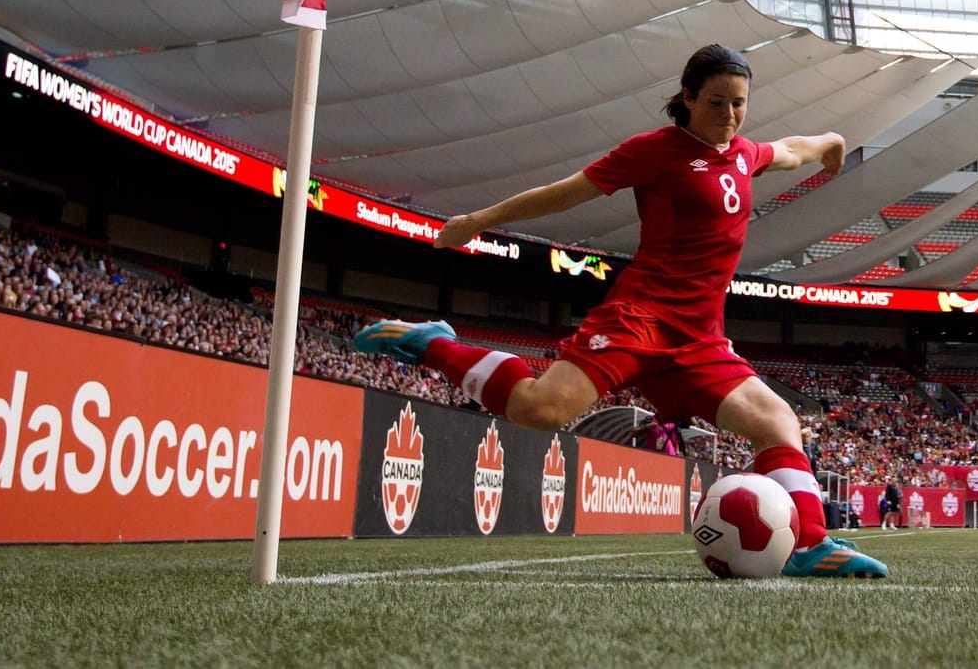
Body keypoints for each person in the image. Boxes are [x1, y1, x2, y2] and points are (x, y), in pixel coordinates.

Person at [353, 44, 886, 578]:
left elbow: (791, 148)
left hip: (700, 337)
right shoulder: (655, 150)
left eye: (738, 104)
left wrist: (832, 144)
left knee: (777, 421)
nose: (728, 115)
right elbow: (564, 194)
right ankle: (432, 341)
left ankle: (810, 545)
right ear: (688, 98)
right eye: (716, 102)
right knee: (542, 410)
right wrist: (478, 220)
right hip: (640, 317)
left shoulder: (744, 154)